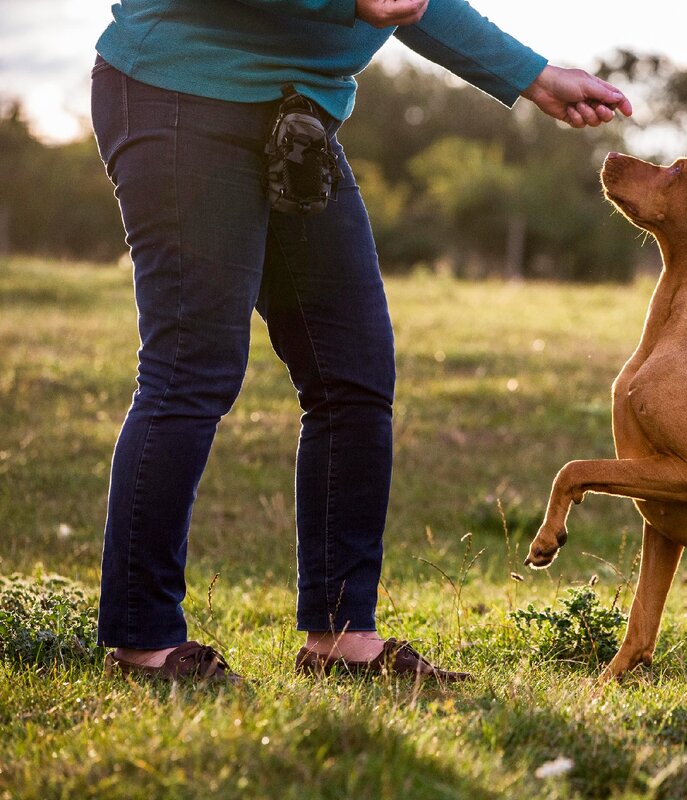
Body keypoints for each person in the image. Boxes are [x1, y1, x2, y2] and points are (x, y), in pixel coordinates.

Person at [91, 0, 632, 683]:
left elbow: (410, 2)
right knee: (190, 370)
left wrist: (532, 75)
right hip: (182, 95)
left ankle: (342, 639)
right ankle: (145, 643)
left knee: (354, 375)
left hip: (297, 119)